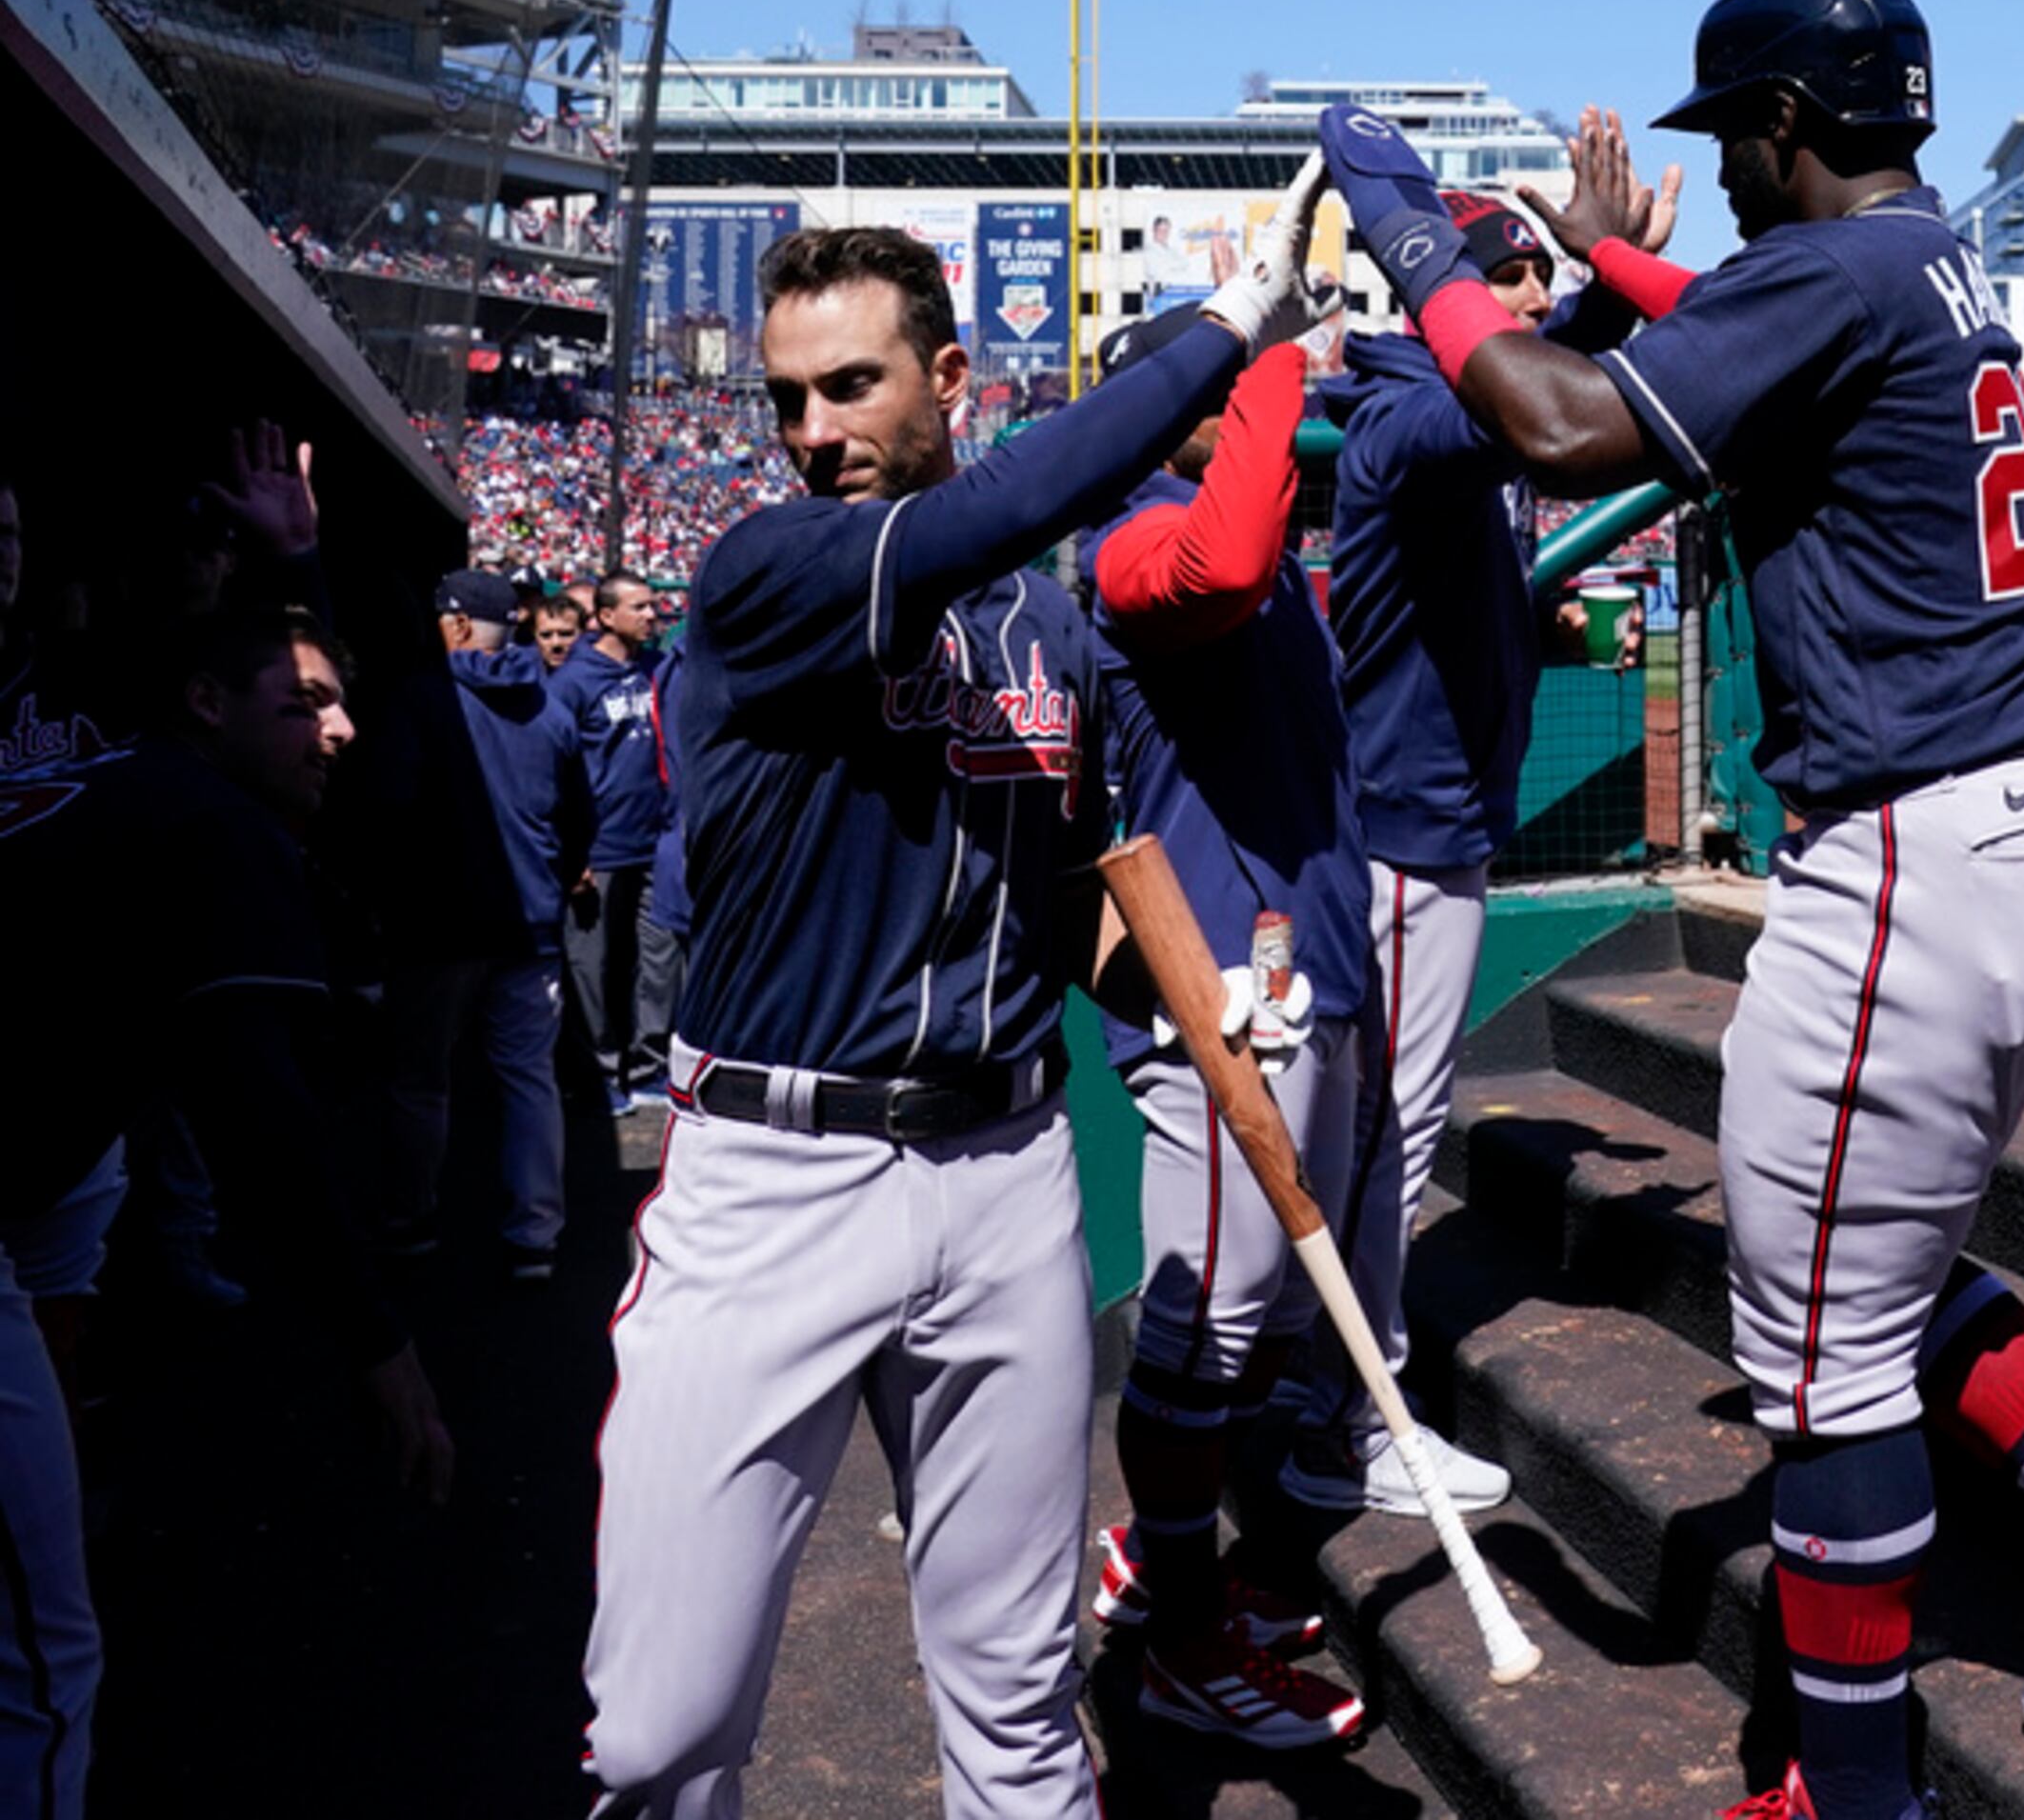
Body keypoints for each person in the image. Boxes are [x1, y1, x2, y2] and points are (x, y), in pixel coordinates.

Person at [1312, 0, 2024, 1820]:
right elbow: (1715, 335)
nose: (1734, 175)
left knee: (1829, 1360)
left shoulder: (1829, 271)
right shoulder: (1920, 257)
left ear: (1781, 124)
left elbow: (1546, 422)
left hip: (1929, 852)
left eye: (1738, 140)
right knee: (1890, 1270)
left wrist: (1402, 234)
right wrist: (1615, 272)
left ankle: (1853, 1786)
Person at [580, 179, 1326, 1819]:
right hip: (777, 1174)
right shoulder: (771, 569)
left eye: (854, 384)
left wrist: (1206, 1012)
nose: (815, 427)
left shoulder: (1045, 624)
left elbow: (1065, 900)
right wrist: (1226, 332)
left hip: (1002, 1171)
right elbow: (991, 515)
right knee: (657, 1727)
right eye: (788, 395)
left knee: (1020, 1706)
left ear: (947, 386)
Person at [0, 604, 454, 1820]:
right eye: (306, 703)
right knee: (45, 1661)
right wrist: (379, 1343)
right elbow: (263, 1123)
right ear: (206, 702)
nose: (343, 728)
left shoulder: (96, 777)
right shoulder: (209, 824)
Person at [1294, 181, 1673, 1526]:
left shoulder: (1438, 402)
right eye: (1506, 281)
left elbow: (1550, 367)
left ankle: (1327, 1400)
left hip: (1421, 822)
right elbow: (1535, 390)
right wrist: (1602, 289)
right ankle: (1353, 1419)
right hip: (1399, 831)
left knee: (1372, 1130)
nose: (1528, 304)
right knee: (1382, 1136)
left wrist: (1606, 274)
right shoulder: (1412, 412)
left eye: (1532, 282)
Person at [1072, 311, 1371, 1753]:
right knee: (1206, 1330)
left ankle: (1162, 1563)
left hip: (1301, 964)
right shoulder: (1126, 530)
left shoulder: (1241, 512)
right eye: (1193, 378)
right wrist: (1266, 350)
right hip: (1215, 993)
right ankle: (1182, 1638)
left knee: (1254, 1331)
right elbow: (1226, 560)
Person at [416, 568, 583, 1282]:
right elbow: (580, 822)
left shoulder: (426, 700)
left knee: (422, 1081)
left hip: (445, 924)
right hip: (530, 921)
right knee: (527, 1079)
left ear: (455, 626)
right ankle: (534, 1233)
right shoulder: (550, 707)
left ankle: (409, 1221)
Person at [552, 573, 668, 1114]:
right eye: (640, 607)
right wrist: (571, 850)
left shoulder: (655, 670)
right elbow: (553, 765)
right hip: (599, 848)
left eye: (653, 605)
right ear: (604, 616)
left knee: (657, 963)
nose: (652, 615)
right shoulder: (574, 682)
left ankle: (649, 1066)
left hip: (656, 842)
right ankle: (599, 1071)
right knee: (591, 969)